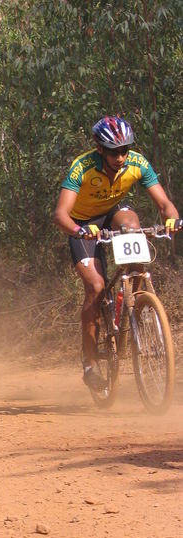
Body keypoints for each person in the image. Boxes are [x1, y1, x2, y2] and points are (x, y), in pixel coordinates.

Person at [54, 115, 181, 391]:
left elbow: (164, 203)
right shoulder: (82, 168)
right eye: (114, 151)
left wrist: (172, 219)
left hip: (112, 214)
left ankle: (136, 304)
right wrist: (79, 230)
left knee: (132, 226)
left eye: (125, 150)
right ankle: (90, 363)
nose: (121, 157)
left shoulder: (137, 163)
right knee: (96, 288)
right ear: (100, 149)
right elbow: (60, 214)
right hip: (83, 224)